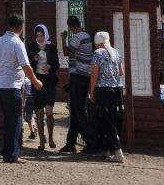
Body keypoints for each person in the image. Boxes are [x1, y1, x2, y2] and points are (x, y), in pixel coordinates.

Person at [0, 13, 42, 164]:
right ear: (21, 27)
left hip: (0, 85)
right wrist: (36, 82)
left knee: (9, 120)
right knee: (16, 121)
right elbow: (26, 66)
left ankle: (7, 151)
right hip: (12, 86)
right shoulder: (17, 43)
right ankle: (12, 155)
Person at [59, 15, 96, 154]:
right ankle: (70, 143)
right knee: (76, 110)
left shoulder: (78, 37)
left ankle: (92, 142)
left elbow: (66, 52)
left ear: (70, 26)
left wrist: (63, 39)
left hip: (78, 77)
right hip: (84, 77)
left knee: (77, 111)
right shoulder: (87, 36)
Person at [89, 30, 125, 164]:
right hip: (118, 89)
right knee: (115, 118)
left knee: (107, 120)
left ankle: (118, 152)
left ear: (96, 43)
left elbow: (94, 75)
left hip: (104, 90)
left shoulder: (98, 53)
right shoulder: (115, 52)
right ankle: (108, 149)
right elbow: (121, 72)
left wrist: (91, 91)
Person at [28, 23, 59, 151]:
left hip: (49, 82)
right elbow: (28, 65)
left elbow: (57, 64)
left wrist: (50, 67)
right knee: (39, 112)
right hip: (37, 81)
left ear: (46, 35)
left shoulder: (52, 47)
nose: (40, 38)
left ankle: (51, 138)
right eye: (37, 36)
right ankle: (41, 141)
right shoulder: (32, 47)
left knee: (49, 111)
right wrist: (34, 60)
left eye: (42, 35)